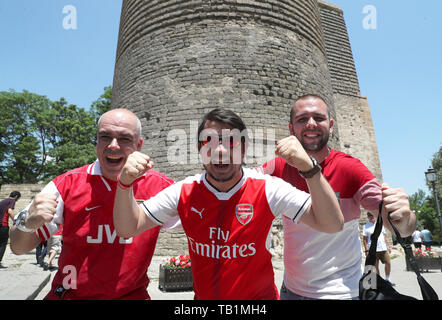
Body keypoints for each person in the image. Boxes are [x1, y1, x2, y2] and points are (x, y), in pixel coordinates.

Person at [113, 108, 344, 300]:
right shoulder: (184, 191)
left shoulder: (268, 188)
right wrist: (124, 184)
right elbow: (128, 228)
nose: (220, 151)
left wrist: (310, 170)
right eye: (209, 141)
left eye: (231, 142)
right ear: (199, 149)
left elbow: (332, 224)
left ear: (244, 148)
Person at [259, 94, 416, 300]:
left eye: (319, 118)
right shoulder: (278, 168)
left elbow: (398, 224)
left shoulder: (350, 168)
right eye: (302, 119)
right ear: (291, 129)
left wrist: (405, 217)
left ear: (331, 126)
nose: (311, 124)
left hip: (341, 293)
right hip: (291, 291)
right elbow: (241, 183)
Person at [10, 108, 177, 300]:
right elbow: (18, 247)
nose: (113, 146)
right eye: (105, 136)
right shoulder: (66, 184)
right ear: (96, 141)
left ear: (138, 145)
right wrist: (27, 222)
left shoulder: (161, 187)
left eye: (124, 139)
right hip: (70, 294)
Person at [362, 212, 394, 285]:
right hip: (373, 249)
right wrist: (366, 250)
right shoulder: (366, 226)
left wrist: (388, 246)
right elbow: (364, 239)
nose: (371, 217)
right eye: (369, 215)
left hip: (383, 248)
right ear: (367, 217)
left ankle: (387, 279)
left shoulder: (380, 224)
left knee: (388, 263)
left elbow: (384, 237)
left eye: (372, 215)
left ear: (374, 215)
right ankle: (379, 282)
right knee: (375, 267)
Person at [0, 191, 21, 267]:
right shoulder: (11, 201)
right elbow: (10, 211)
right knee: (3, 243)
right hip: (3, 225)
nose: (17, 200)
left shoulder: (3, 201)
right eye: (18, 198)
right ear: (16, 196)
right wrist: (16, 221)